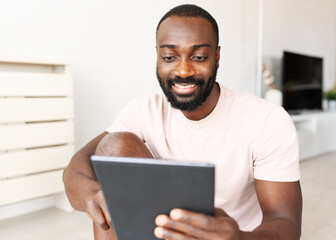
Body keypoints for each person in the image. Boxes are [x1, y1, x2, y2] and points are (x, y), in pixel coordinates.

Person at [63, 4, 302, 240]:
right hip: (159, 233)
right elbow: (78, 165)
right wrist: (95, 197)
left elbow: (286, 222)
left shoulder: (267, 120)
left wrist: (239, 238)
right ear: (157, 57)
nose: (184, 70)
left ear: (217, 57)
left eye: (198, 57)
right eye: (169, 57)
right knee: (114, 145)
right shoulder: (144, 110)